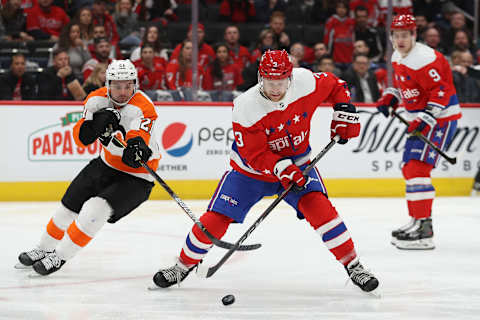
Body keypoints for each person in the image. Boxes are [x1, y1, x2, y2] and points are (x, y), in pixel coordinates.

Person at [152, 49, 379, 294]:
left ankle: (353, 266)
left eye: (280, 82)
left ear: (289, 77)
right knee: (215, 219)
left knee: (323, 212)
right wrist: (283, 168)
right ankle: (183, 265)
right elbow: (255, 154)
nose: (275, 88)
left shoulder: (305, 82)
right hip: (250, 173)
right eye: (270, 82)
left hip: (300, 166)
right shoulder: (246, 105)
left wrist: (344, 110)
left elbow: (337, 85)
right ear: (261, 77)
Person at [17, 59, 161, 276]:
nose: (123, 92)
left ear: (135, 84)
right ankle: (43, 248)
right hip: (105, 164)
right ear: (108, 83)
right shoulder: (96, 100)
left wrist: (137, 148)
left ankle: (60, 256)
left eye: (128, 85)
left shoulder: (144, 107)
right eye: (117, 86)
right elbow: (81, 138)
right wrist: (94, 125)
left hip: (137, 176)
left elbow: (138, 137)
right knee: (69, 205)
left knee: (97, 208)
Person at [376, 14, 461, 250]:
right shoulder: (397, 55)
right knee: (409, 168)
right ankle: (417, 220)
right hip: (422, 119)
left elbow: (441, 91)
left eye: (405, 35)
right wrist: (392, 96)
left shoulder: (426, 58)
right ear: (391, 37)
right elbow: (408, 87)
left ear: (414, 35)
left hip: (441, 119)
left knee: (417, 168)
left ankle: (425, 229)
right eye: (396, 35)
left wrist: (426, 117)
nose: (400, 40)